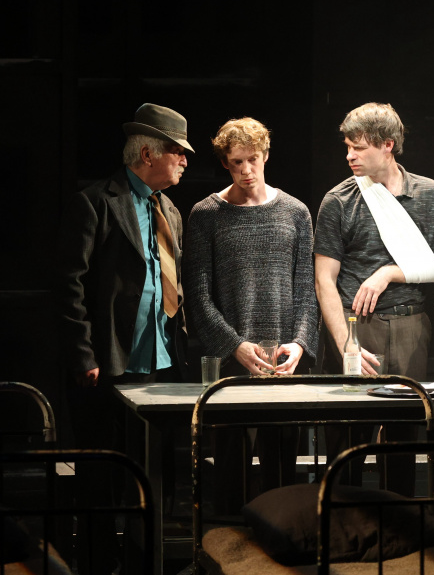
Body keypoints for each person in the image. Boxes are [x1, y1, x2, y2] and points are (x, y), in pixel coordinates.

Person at [57, 102, 192, 573]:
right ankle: (98, 564)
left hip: (160, 368)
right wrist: (83, 355)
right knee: (100, 478)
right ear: (148, 152)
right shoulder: (95, 201)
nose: (184, 161)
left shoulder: (170, 209)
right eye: (177, 151)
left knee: (154, 476)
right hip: (107, 368)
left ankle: (145, 561)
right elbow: (69, 286)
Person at [314, 102, 434, 496]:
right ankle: (343, 518)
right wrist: (346, 344)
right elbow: (324, 280)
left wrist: (389, 272)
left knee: (403, 438)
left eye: (359, 148)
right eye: (347, 146)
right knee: (348, 439)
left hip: (410, 326)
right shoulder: (339, 200)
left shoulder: (429, 193)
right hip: (357, 327)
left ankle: (399, 522)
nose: (349, 155)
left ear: (387, 145)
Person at [182, 117, 318, 512]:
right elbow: (198, 296)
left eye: (252, 159)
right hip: (232, 366)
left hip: (284, 365)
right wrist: (234, 346)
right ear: (225, 163)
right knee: (231, 476)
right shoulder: (206, 214)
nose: (246, 170)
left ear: (266, 155)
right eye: (236, 162)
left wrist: (300, 344)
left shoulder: (295, 211)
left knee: (283, 479)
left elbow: (306, 290)